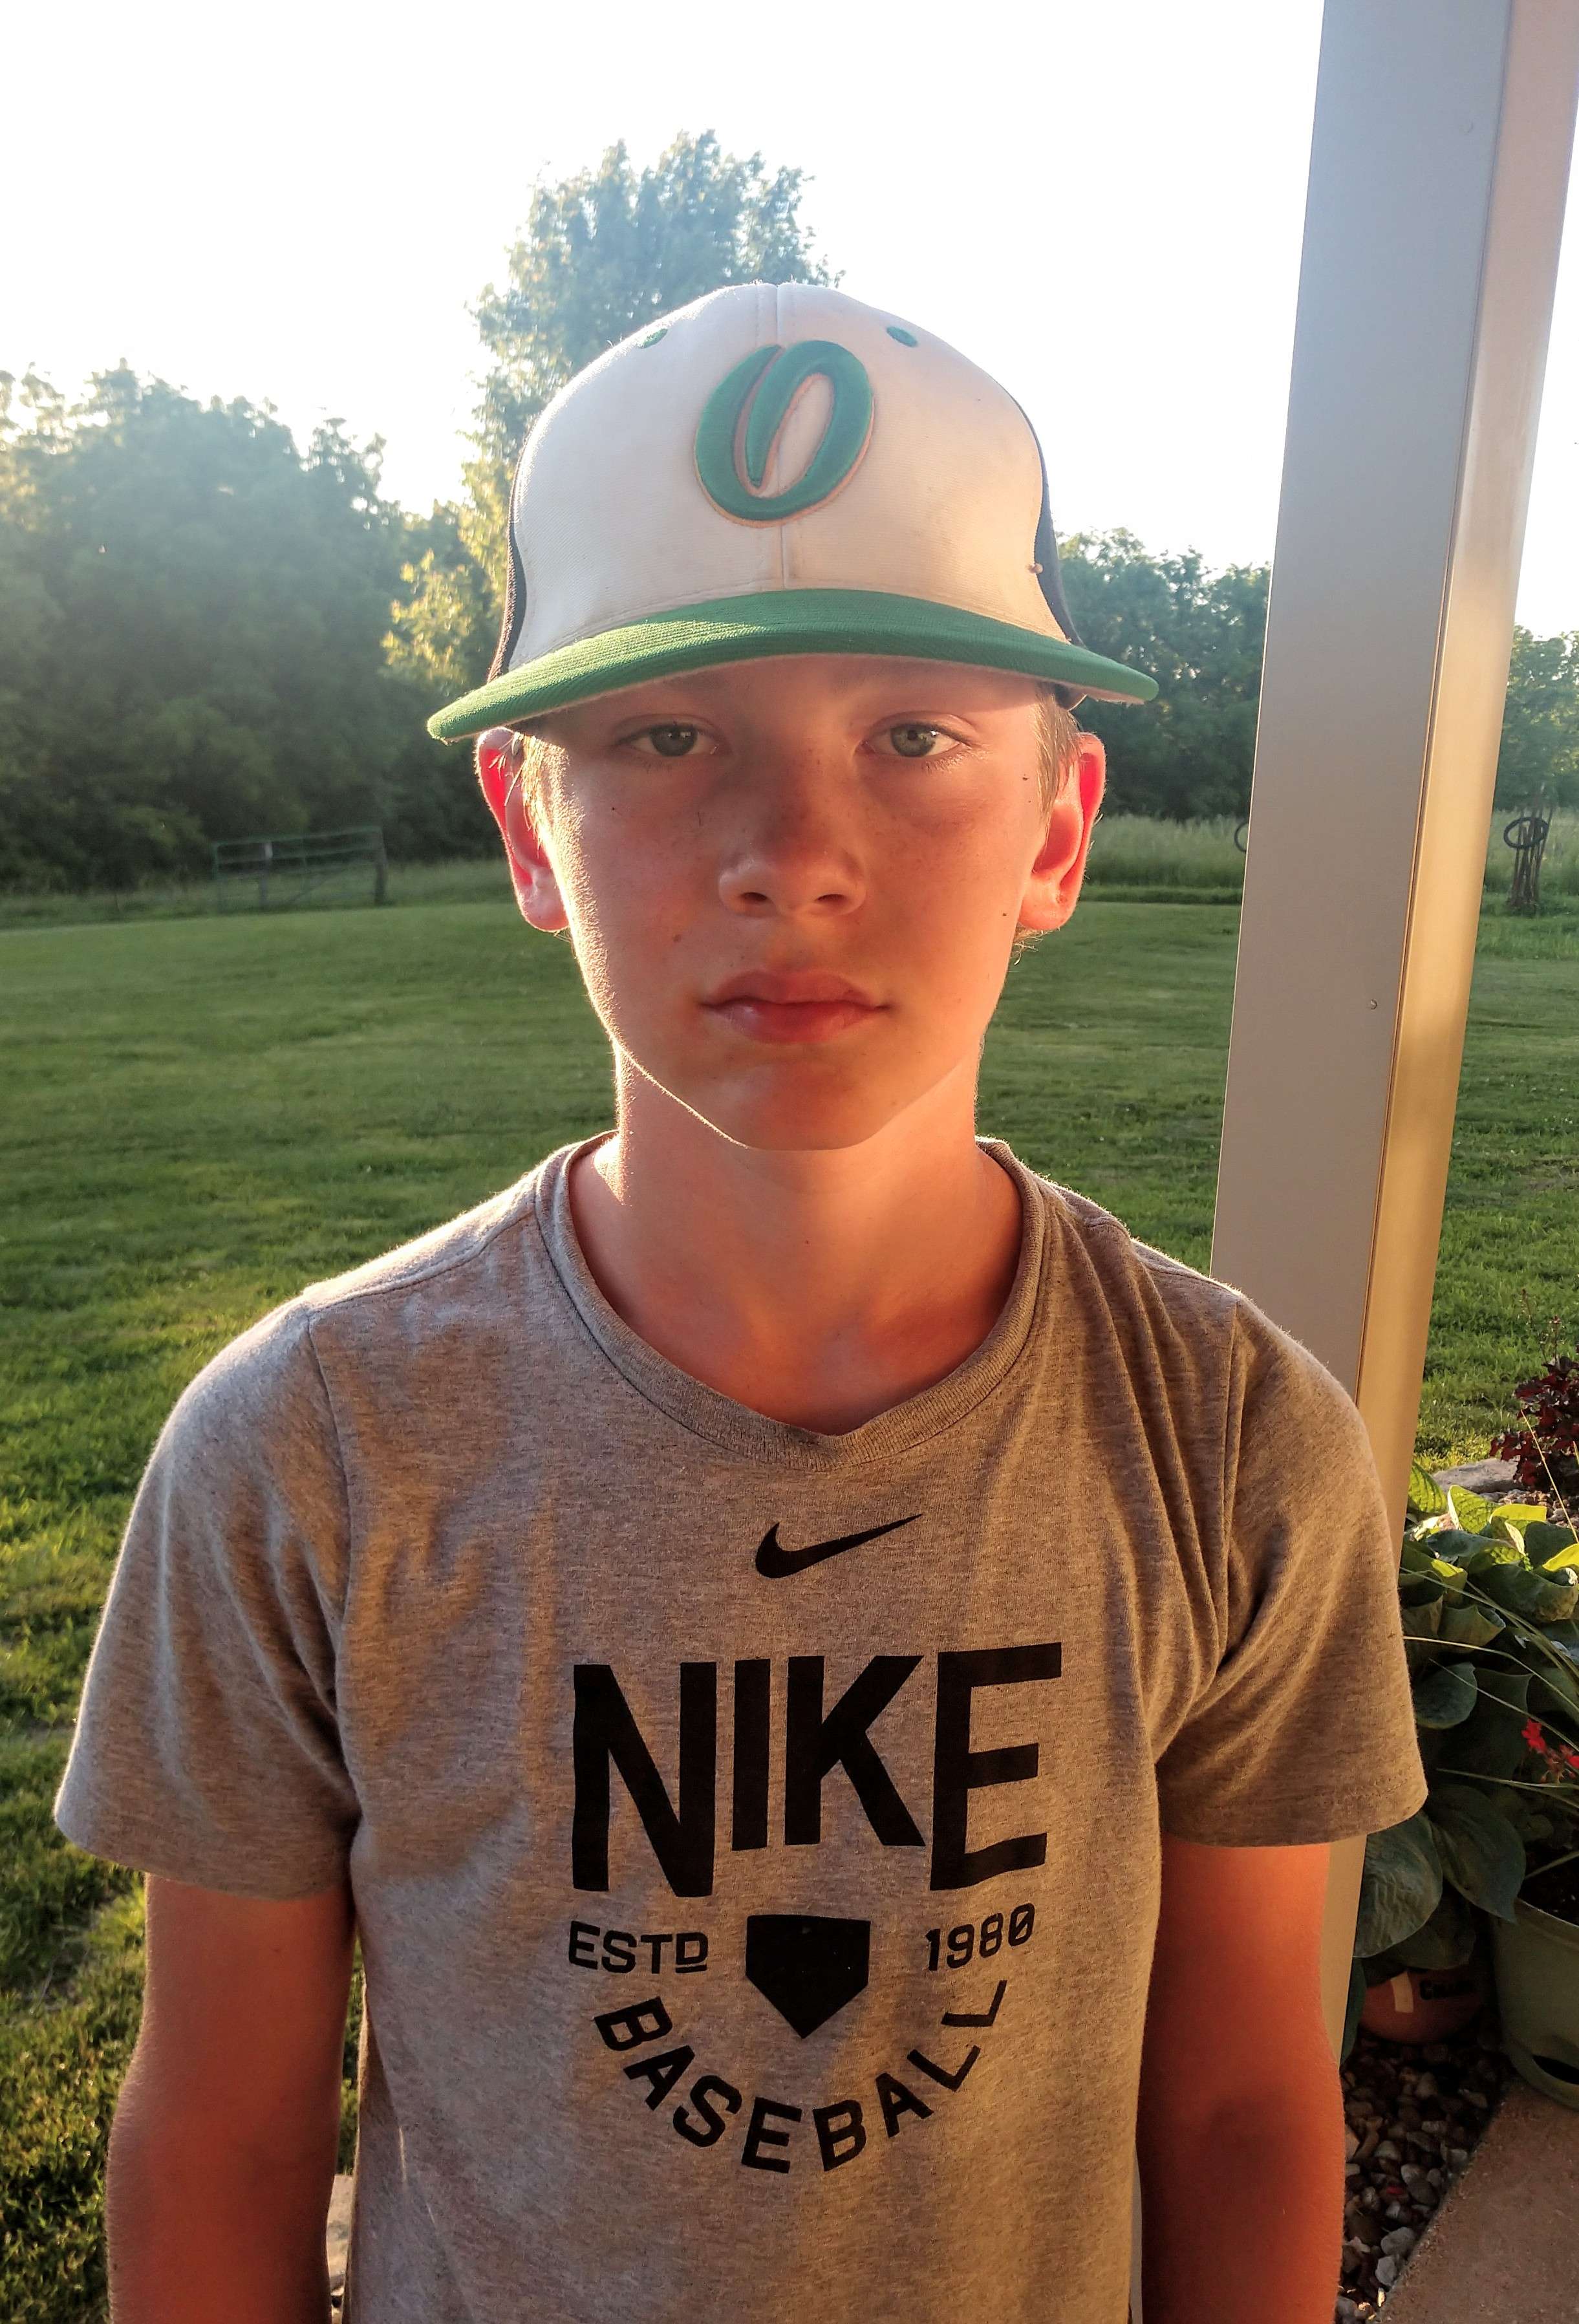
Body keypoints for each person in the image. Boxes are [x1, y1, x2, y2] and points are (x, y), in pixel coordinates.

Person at [55, 283, 1426, 2324]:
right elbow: (222, 2139)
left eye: (912, 736)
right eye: (665, 736)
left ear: (1056, 827)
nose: (793, 855)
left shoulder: (1228, 1438)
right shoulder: (308, 1449)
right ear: (528, 826)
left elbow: (1233, 2104)